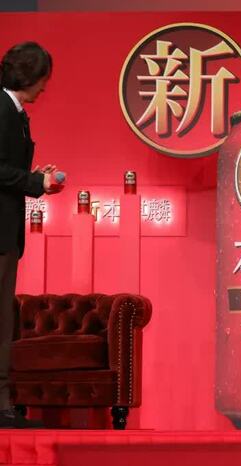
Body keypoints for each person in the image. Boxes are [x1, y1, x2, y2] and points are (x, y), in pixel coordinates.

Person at [1, 41, 61, 429]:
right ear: (29, 76)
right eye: (43, 79)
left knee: (3, 322)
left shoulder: (15, 111)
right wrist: (36, 182)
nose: (44, 87)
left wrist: (35, 178)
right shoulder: (1, 109)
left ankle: (4, 406)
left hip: (7, 233)